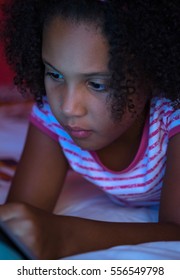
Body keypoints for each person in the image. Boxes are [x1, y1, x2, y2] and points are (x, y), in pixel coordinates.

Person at [0, 0, 180, 260]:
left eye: (96, 84)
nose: (68, 107)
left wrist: (66, 236)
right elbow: (19, 216)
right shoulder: (52, 114)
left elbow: (176, 230)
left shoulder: (171, 116)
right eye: (55, 75)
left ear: (151, 72)